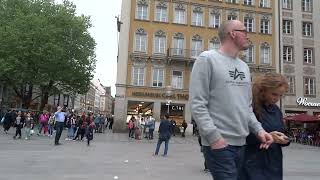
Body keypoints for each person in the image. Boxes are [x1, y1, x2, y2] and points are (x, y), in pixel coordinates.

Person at [189, 20, 273, 180]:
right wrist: (214, 138)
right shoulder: (207, 59)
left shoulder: (244, 67)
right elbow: (197, 104)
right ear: (233, 34)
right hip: (220, 144)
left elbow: (246, 108)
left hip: (242, 144)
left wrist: (259, 130)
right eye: (244, 31)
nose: (248, 35)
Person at [240, 73, 290, 180]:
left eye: (280, 95)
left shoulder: (276, 110)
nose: (277, 98)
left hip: (273, 162)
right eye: (274, 94)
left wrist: (285, 140)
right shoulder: (251, 108)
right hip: (252, 161)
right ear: (263, 90)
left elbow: (283, 132)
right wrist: (265, 137)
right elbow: (242, 134)